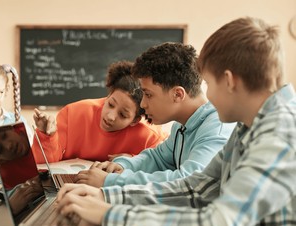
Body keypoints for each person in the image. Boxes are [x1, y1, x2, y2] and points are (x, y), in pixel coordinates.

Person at [55, 17, 296, 226]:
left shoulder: (280, 134)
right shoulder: (249, 126)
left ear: (229, 81)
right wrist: (106, 195)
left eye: (209, 84)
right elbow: (197, 189)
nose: (208, 96)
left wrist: (109, 214)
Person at [75, 42, 234, 188]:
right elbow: (158, 158)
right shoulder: (182, 124)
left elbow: (188, 181)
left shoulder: (218, 127)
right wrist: (123, 165)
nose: (143, 104)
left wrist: (110, 181)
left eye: (148, 95)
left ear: (177, 94)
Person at [31, 60, 165, 164]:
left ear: (135, 120)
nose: (110, 116)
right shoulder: (73, 113)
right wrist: (46, 136)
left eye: (123, 115)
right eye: (111, 104)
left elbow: (165, 165)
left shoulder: (150, 136)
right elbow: (43, 165)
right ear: (108, 96)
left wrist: (134, 160)